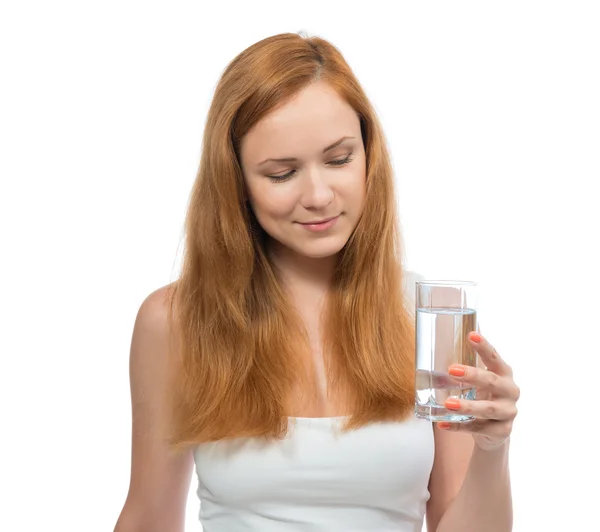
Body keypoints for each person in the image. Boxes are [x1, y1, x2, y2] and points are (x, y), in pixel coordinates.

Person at [114, 32, 520, 532]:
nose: (319, 195)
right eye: (282, 173)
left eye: (338, 159)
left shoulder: (429, 316)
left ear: (370, 154)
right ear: (235, 182)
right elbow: (148, 519)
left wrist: (492, 447)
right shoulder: (176, 322)